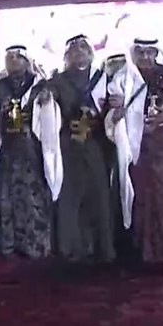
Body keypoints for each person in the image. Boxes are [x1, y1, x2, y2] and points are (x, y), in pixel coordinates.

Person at [107, 39, 163, 266]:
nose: (145, 57)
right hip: (134, 147)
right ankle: (139, 254)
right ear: (134, 53)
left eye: (150, 52)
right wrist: (115, 110)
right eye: (141, 52)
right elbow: (110, 113)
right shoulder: (122, 77)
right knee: (138, 196)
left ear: (157, 53)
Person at [0, 45, 62, 258]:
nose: (13, 61)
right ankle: (9, 244)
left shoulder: (40, 85)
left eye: (17, 57)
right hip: (6, 148)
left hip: (32, 149)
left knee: (33, 197)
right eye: (9, 57)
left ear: (26, 60)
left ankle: (36, 245)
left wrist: (47, 102)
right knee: (6, 197)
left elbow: (52, 110)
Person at [50, 34, 116, 262]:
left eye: (83, 48)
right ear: (67, 55)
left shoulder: (103, 79)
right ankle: (71, 248)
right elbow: (49, 106)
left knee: (99, 195)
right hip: (68, 146)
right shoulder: (57, 81)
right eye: (74, 49)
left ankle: (102, 247)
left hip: (96, 145)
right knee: (70, 197)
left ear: (90, 53)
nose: (79, 52)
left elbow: (112, 109)